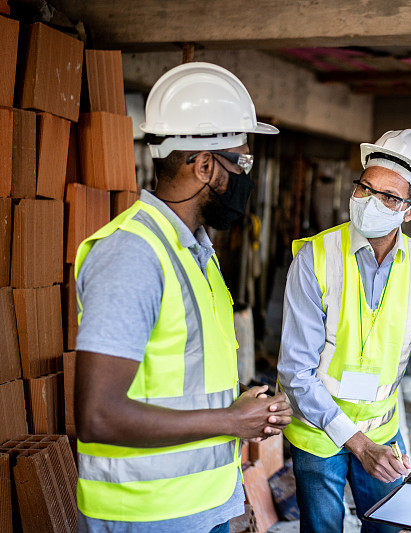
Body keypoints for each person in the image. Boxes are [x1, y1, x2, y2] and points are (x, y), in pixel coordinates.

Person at [74, 62, 292, 533]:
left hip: (202, 508)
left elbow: (183, 385)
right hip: (147, 516)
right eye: (244, 163)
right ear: (206, 165)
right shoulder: (132, 255)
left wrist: (242, 409)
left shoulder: (196, 253)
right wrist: (230, 420)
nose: (246, 179)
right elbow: (98, 415)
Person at [278, 129, 411, 532]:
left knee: (387, 527)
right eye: (365, 187)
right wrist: (358, 445)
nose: (369, 202)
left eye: (389, 197)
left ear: (410, 211)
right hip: (316, 432)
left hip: (382, 431)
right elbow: (295, 372)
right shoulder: (315, 258)